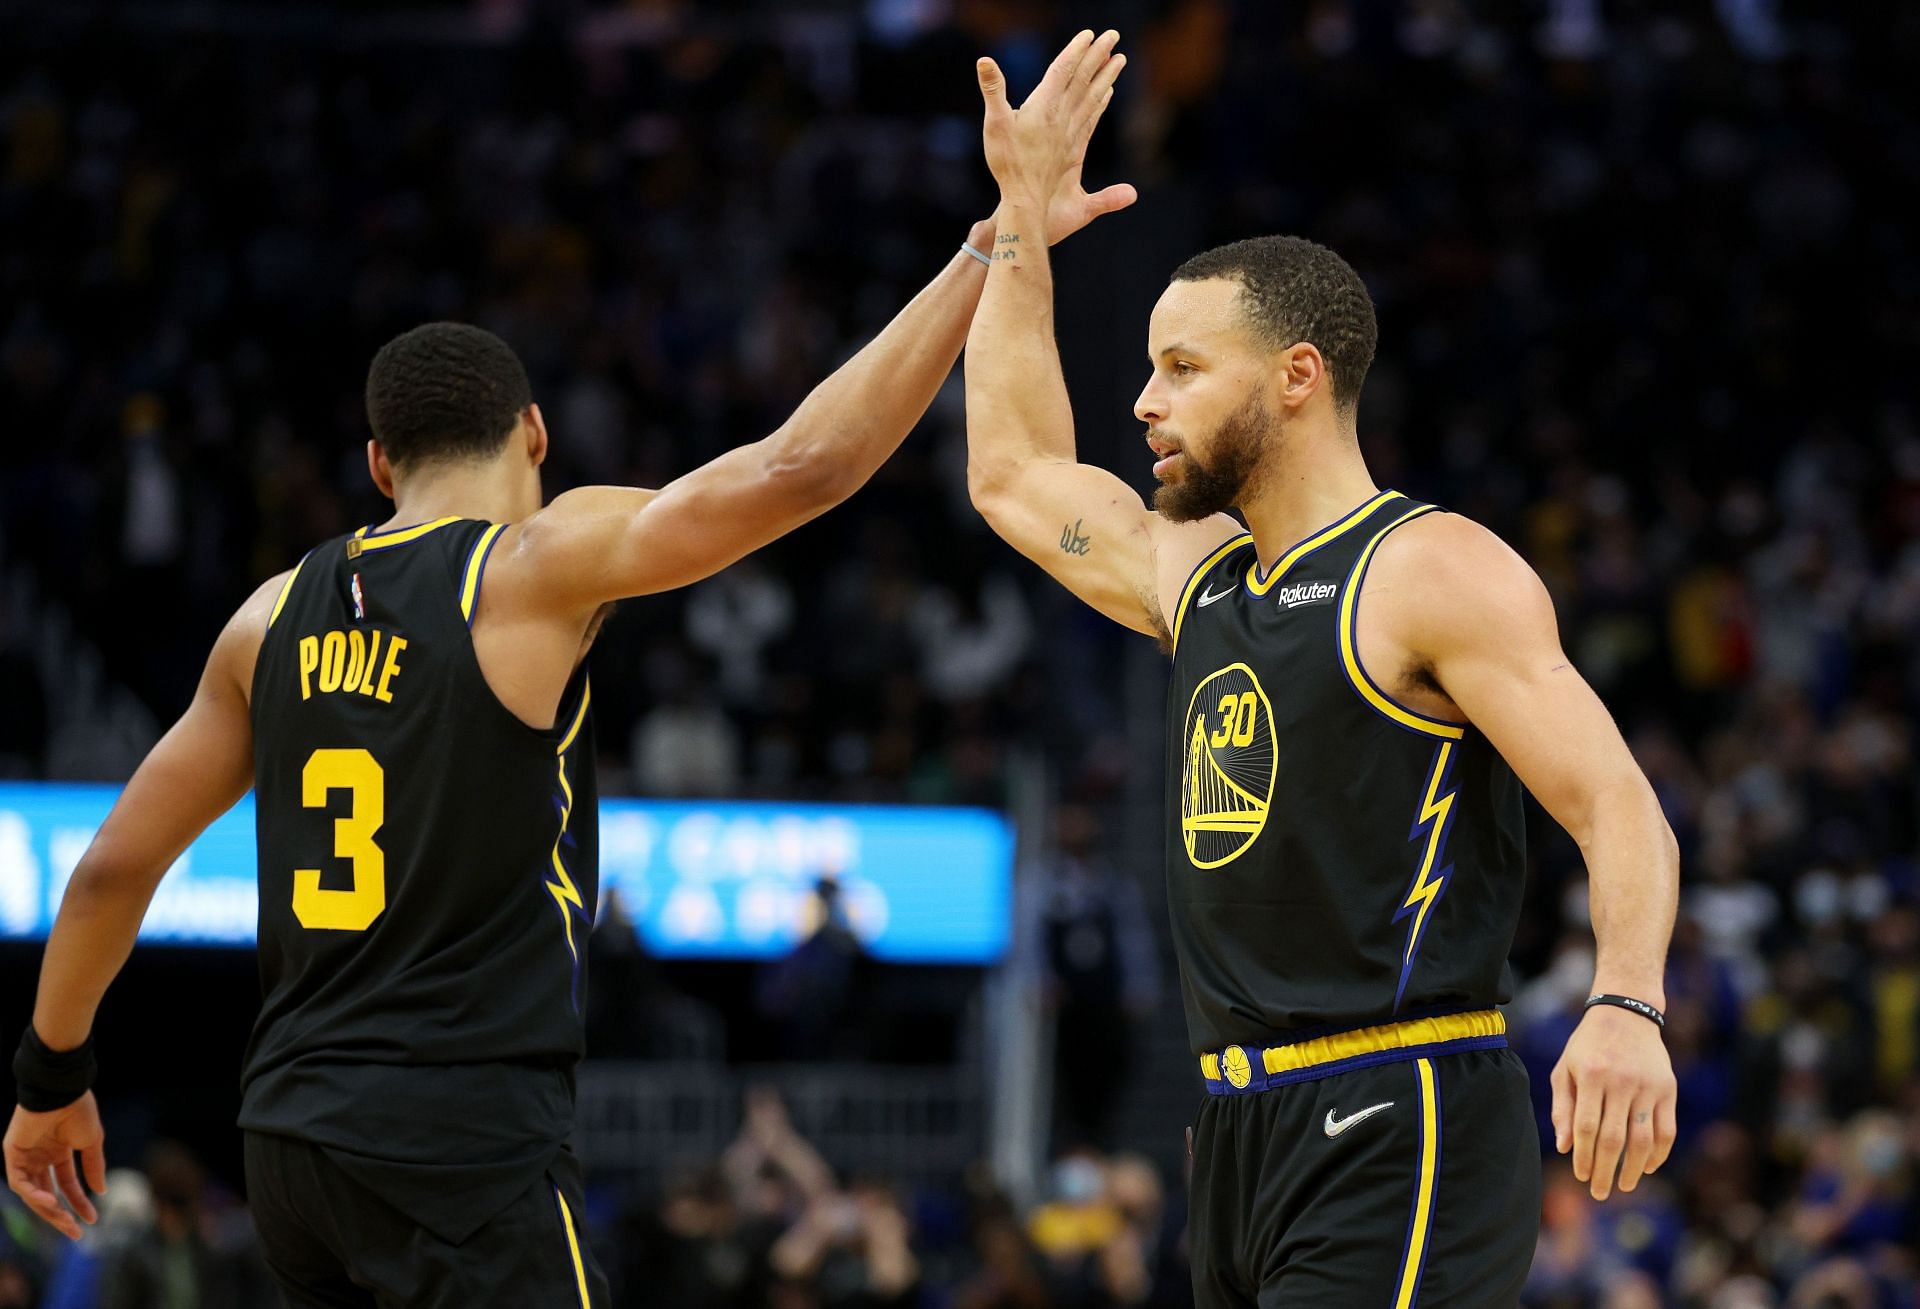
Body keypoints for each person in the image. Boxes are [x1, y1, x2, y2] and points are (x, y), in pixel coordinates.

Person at [3, 39, 1137, 1302]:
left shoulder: (265, 620)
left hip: (289, 1148)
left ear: (379, 465)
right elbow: (797, 469)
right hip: (458, 1138)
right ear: (533, 433)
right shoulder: (529, 566)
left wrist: (51, 1080)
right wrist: (995, 238)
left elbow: (111, 869)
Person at [963, 29, 1680, 1306]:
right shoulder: (1196, 576)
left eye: (1181, 369)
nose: (1144, 401)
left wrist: (1627, 1003)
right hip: (1235, 1132)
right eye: (1146, 369)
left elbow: (1616, 802)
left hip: (1398, 1105)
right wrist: (1020, 219)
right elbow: (1013, 471)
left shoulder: (1430, 569)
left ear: (1297, 378)